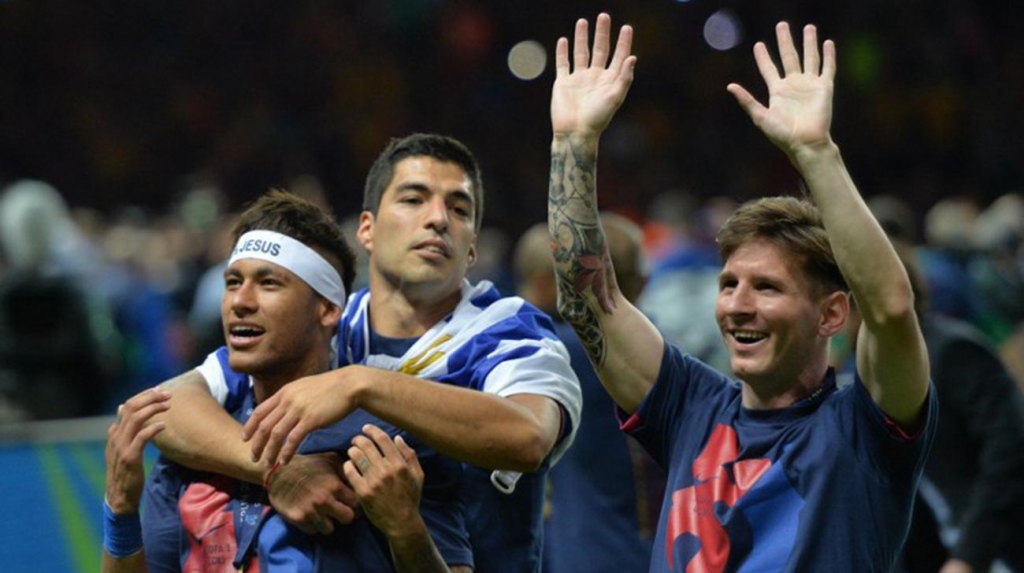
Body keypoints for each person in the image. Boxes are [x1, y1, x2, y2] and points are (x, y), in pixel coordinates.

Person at [548, 14, 935, 572]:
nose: (737, 305)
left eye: (767, 287)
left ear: (831, 314)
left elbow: (891, 307)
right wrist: (573, 143)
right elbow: (588, 302)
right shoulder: (691, 406)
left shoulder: (865, 432)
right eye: (729, 284)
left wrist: (816, 153)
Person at [140, 135, 582, 572]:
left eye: (459, 208)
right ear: (366, 229)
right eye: (414, 199)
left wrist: (361, 383)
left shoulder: (508, 332)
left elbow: (528, 438)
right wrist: (277, 471)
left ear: (471, 249)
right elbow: (171, 404)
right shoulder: (325, 323)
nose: (438, 219)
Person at [102, 189, 472, 572]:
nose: (239, 301)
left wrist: (406, 530)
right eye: (232, 282)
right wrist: (121, 513)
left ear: (327, 310)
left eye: (269, 283)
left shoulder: (389, 442)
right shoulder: (193, 450)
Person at [837, 241, 1024, 573]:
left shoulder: (953, 352)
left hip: (997, 551)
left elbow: (1009, 455)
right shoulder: (861, 376)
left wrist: (968, 558)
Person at [513, 217, 665, 573]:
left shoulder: (565, 353)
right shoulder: (665, 352)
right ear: (643, 282)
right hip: (654, 552)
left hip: (591, 554)